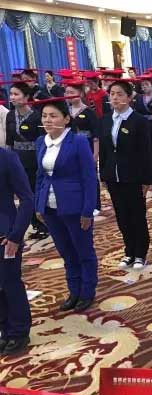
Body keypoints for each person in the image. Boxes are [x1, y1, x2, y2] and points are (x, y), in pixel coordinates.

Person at [35, 99, 98, 313]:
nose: (48, 120)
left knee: (83, 251)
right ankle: (74, 291)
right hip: (50, 207)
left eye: (53, 116)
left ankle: (87, 291)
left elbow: (89, 178)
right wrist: (39, 204)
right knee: (66, 251)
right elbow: (40, 176)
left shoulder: (77, 141)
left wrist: (87, 210)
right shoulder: (41, 142)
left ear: (66, 119)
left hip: (75, 206)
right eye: (45, 116)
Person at [99, 79, 152, 270]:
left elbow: (145, 152)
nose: (115, 98)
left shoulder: (139, 121)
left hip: (133, 176)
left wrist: (146, 179)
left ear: (129, 97)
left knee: (137, 215)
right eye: (112, 94)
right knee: (122, 215)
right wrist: (103, 174)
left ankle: (140, 253)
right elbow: (104, 150)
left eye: (120, 94)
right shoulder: (106, 119)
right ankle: (129, 251)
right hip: (113, 176)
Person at [0, 145, 34, 354]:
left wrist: (16, 235)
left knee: (9, 282)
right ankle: (5, 330)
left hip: (6, 235)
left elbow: (27, 199)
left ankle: (19, 331)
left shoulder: (7, 158)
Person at [6, 81, 48, 239]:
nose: (12, 97)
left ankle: (43, 224)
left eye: (16, 94)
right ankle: (34, 224)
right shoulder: (10, 115)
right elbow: (9, 140)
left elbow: (43, 140)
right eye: (11, 94)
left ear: (26, 97)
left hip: (34, 159)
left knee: (35, 191)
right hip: (17, 158)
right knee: (23, 194)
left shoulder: (37, 116)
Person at [64, 80, 102, 215]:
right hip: (69, 147)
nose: (68, 95)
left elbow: (96, 135)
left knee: (90, 176)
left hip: (87, 147)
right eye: (66, 92)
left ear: (80, 93)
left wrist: (95, 154)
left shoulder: (89, 111)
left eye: (72, 92)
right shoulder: (65, 112)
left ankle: (95, 204)